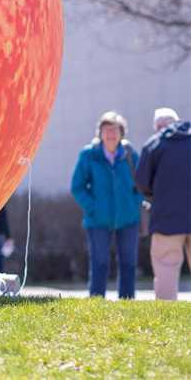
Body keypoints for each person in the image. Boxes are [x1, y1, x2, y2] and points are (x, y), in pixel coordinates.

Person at [70, 111, 143, 299]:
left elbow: (141, 184)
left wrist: (134, 204)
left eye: (115, 130)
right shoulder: (88, 155)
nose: (111, 134)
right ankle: (96, 302)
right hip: (97, 220)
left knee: (128, 262)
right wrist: (93, 207)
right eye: (106, 130)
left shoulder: (129, 153)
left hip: (128, 218)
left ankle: (127, 302)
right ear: (100, 133)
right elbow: (77, 187)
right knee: (100, 262)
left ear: (121, 133)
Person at [135, 107, 191, 300]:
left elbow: (141, 182)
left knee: (166, 266)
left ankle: (168, 316)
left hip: (166, 218)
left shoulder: (154, 143)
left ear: (158, 126)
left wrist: (157, 194)